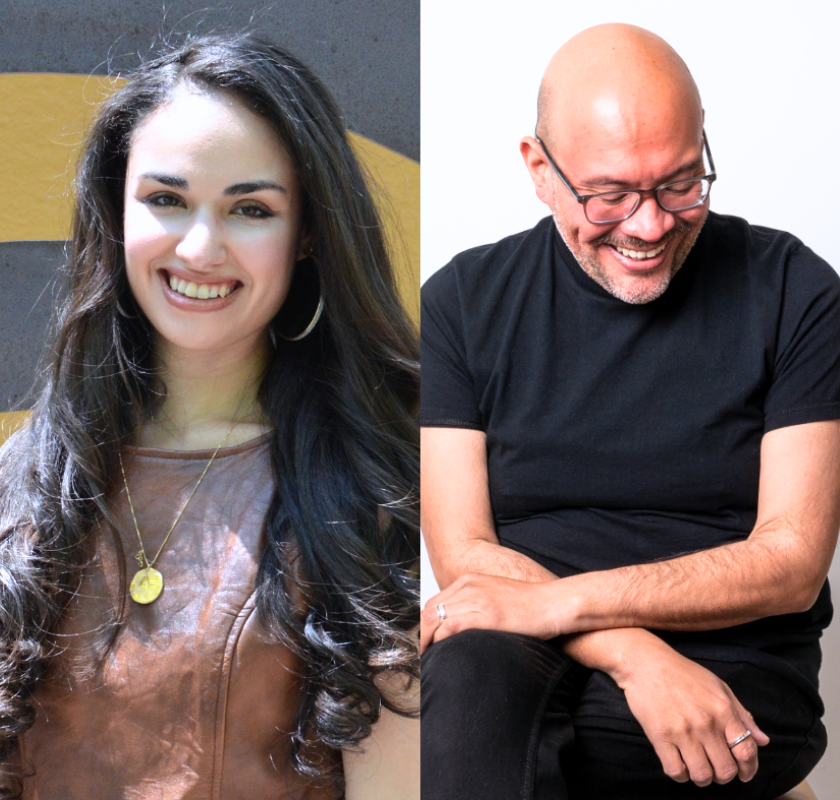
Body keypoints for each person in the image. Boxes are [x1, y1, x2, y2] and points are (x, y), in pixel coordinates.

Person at [420, 23, 840, 800]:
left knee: (600, 756)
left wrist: (559, 603)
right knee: (469, 683)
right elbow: (465, 555)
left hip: (734, 654)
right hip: (528, 647)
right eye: (610, 195)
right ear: (539, 169)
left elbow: (791, 561)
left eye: (680, 183)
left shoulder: (795, 289)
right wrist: (634, 654)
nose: (649, 226)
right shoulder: (461, 303)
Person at [0, 35, 419, 799]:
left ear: (309, 237)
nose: (199, 247)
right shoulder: (28, 474)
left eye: (251, 209)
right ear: (114, 210)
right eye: (166, 199)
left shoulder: (379, 489)